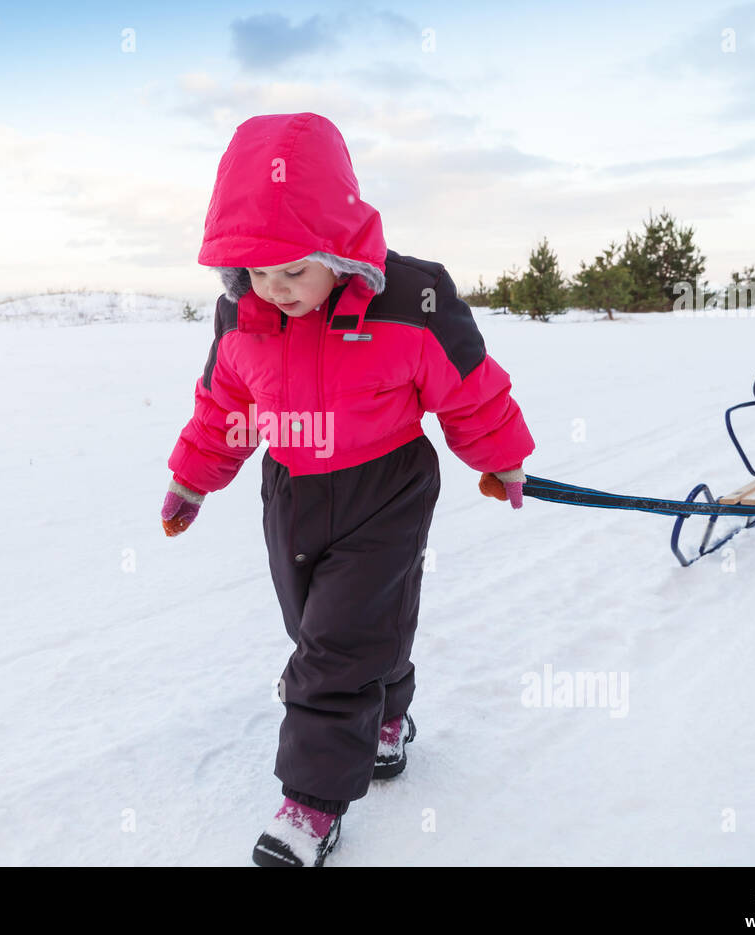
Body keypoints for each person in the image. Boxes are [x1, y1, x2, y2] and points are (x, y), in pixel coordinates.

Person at [161, 112, 536, 866]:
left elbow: (469, 391)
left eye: (294, 269)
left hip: (386, 490)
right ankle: (387, 714)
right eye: (257, 271)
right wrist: (192, 481)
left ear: (339, 246)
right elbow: (224, 408)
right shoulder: (243, 314)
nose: (276, 287)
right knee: (320, 625)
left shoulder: (411, 298)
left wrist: (500, 459)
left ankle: (310, 802)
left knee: (332, 648)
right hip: (292, 491)